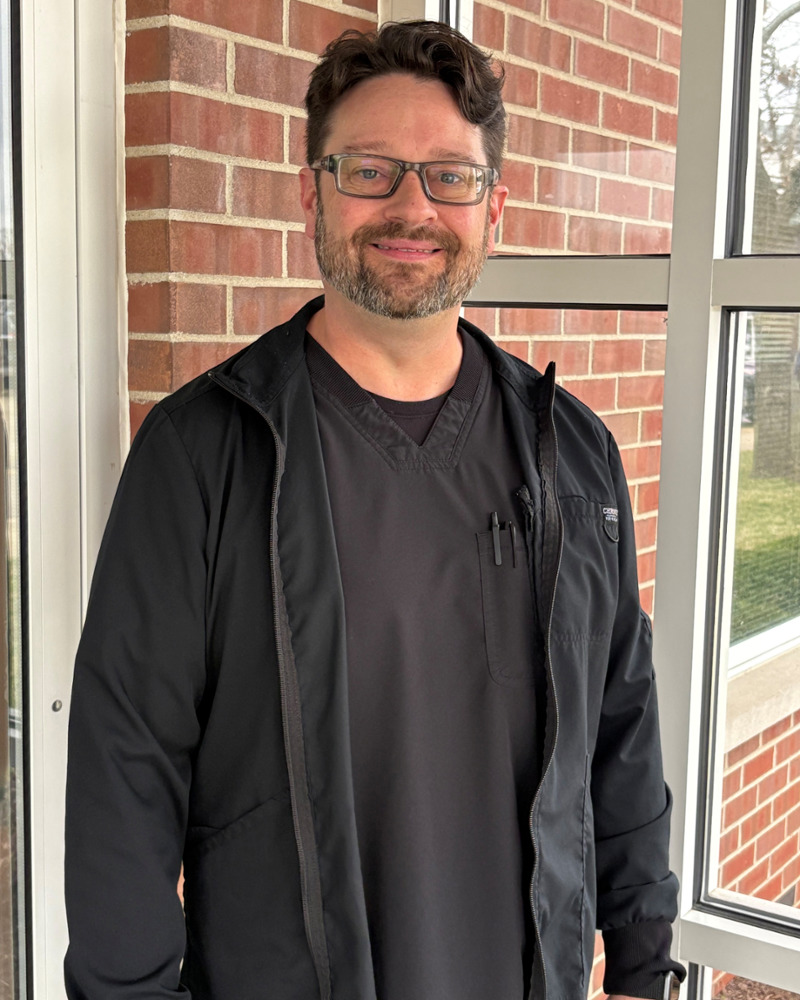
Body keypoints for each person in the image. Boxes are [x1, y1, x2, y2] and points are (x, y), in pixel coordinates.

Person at [64, 19, 685, 1000]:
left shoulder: (572, 455)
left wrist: (645, 963)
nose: (410, 205)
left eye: (449, 176)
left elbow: (620, 726)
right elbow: (124, 770)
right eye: (369, 170)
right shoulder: (202, 453)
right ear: (310, 192)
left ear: (493, 207)